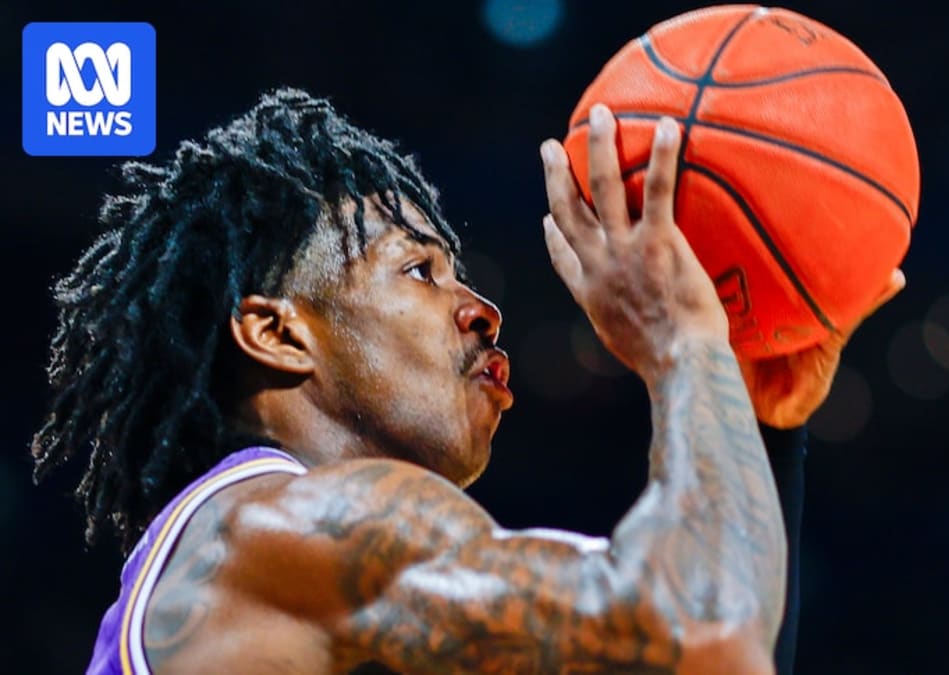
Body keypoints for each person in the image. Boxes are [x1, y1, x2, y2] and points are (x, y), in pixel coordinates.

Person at [31, 88, 902, 674]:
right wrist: (684, 348)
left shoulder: (339, 578)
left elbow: (711, 650)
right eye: (419, 270)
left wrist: (761, 423)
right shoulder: (284, 524)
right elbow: (710, 633)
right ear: (275, 331)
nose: (482, 307)